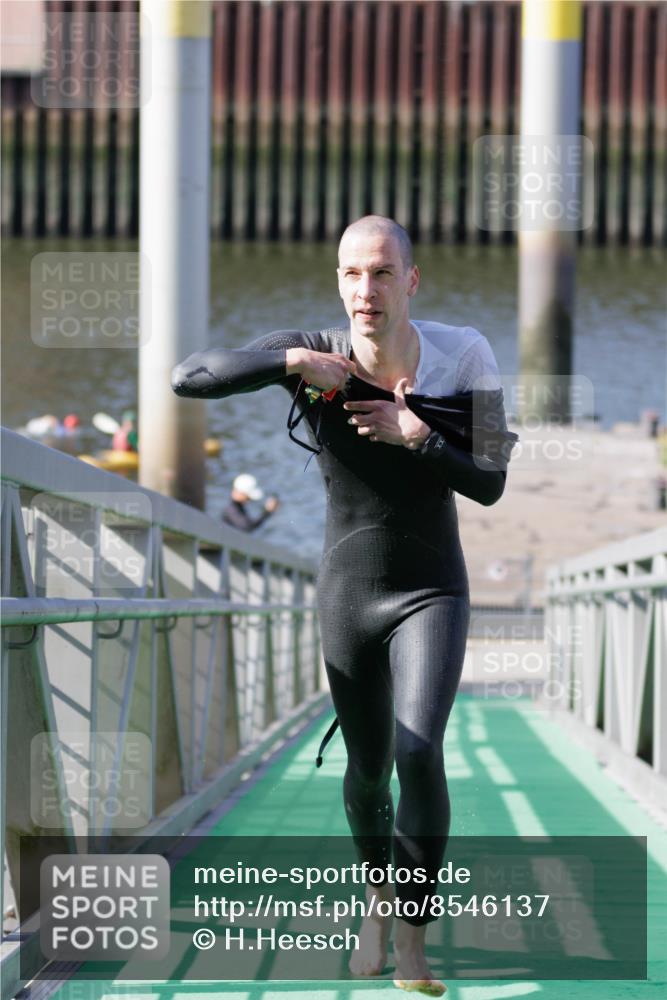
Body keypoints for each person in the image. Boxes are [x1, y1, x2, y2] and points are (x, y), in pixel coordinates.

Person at [172, 215, 510, 997]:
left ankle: (415, 944)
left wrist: (417, 434)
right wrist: (292, 361)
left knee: (418, 751)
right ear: (337, 281)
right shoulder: (312, 349)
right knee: (366, 774)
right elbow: (189, 376)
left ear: (411, 281)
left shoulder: (463, 354)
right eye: (353, 274)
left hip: (431, 588)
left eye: (384, 273)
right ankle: (376, 900)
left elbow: (490, 480)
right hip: (348, 590)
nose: (367, 290)